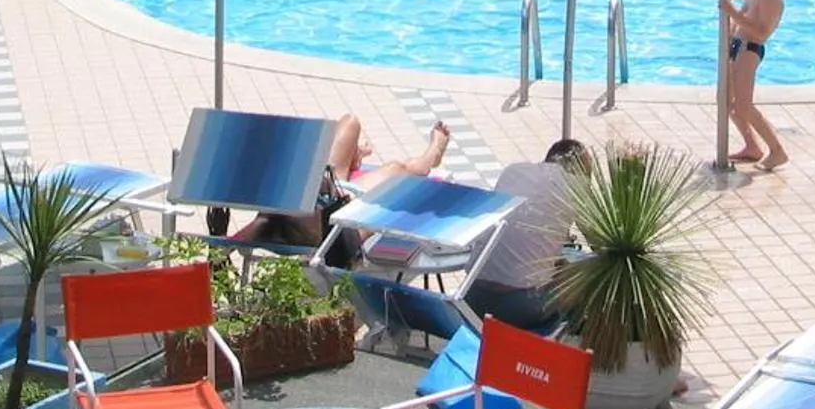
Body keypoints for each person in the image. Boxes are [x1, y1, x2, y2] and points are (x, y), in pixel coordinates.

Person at [215, 112, 453, 260]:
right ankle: (432, 155)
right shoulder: (334, 232)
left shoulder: (289, 194)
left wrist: (221, 247)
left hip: (329, 186)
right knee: (398, 169)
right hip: (343, 207)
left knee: (350, 122)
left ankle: (353, 156)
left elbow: (235, 241)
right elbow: (239, 241)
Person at [465, 138, 588, 328]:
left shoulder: (513, 171)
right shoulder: (577, 187)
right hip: (518, 304)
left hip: (472, 295)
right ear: (583, 173)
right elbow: (589, 252)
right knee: (586, 282)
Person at [720, 0, 787, 170]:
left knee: (744, 106)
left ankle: (777, 150)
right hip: (738, 46)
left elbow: (761, 31)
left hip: (750, 50)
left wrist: (732, 14)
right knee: (728, 103)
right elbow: (745, 13)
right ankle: (752, 147)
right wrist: (729, 29)